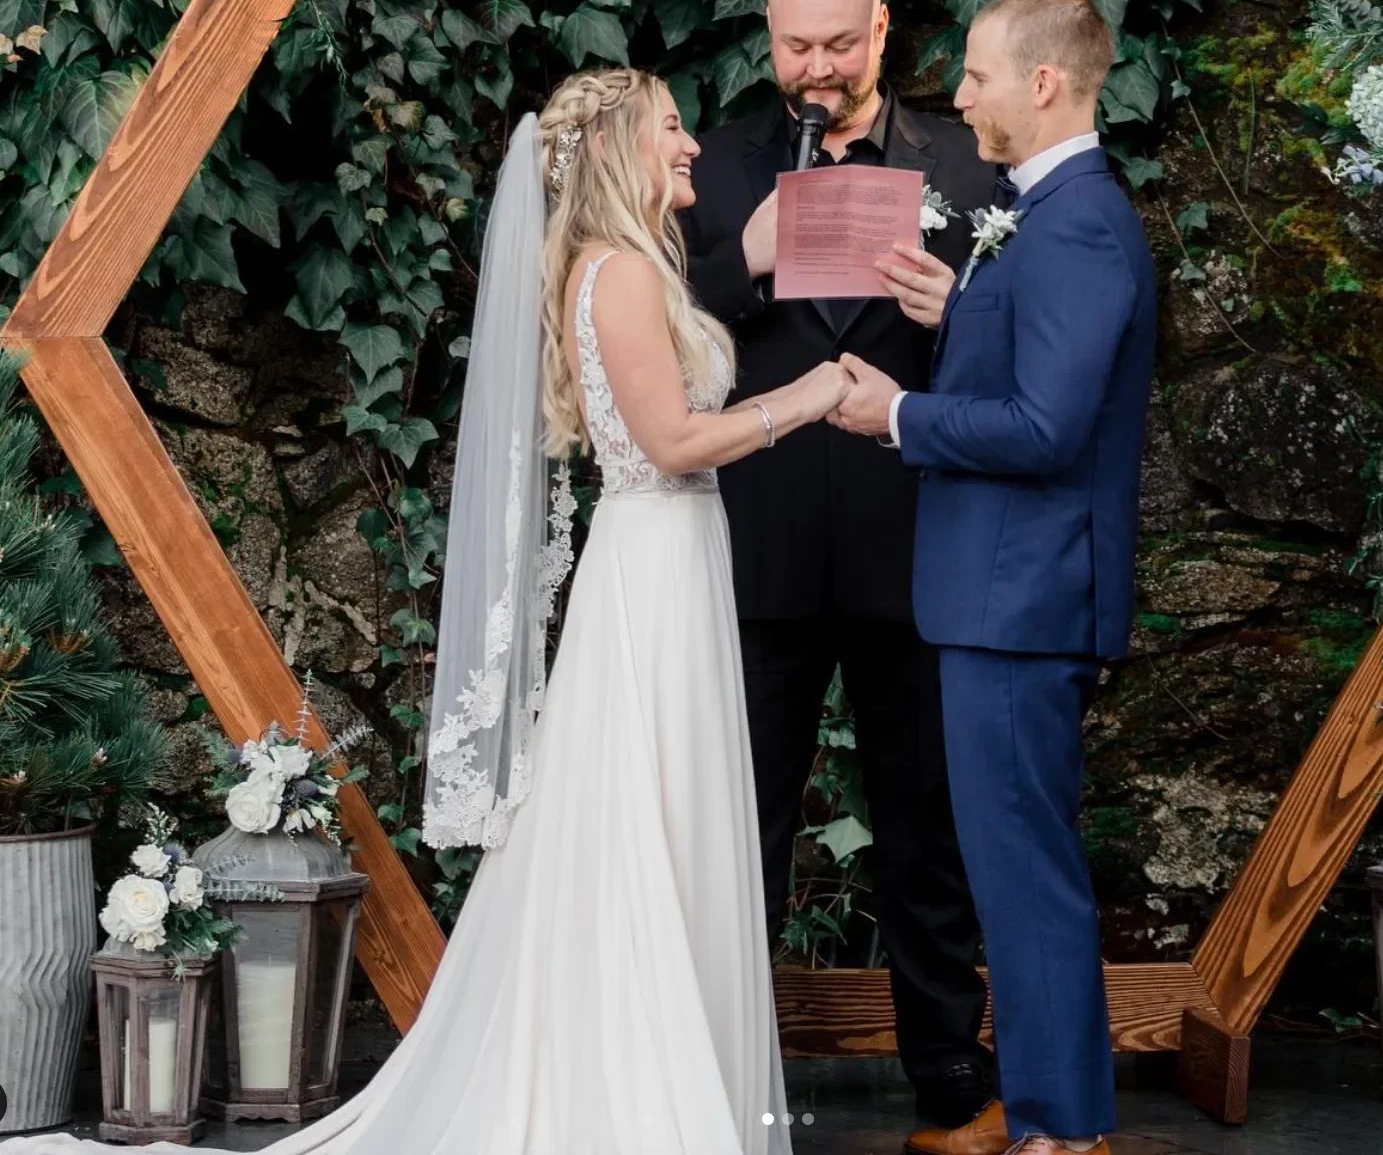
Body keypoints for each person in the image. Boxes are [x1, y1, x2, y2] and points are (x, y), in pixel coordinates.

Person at [12, 68, 850, 1155]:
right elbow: (670, 445)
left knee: (662, 812)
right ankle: (644, 1097)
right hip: (652, 566)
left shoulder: (629, 266)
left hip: (670, 559)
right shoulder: (623, 278)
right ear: (617, 150)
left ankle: (656, 1063)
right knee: (641, 816)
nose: (692, 145)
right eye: (673, 128)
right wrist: (811, 397)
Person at [680, 0, 1002, 1132]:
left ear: (879, 32)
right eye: (791, 47)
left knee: (924, 827)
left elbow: (1020, 355)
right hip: (755, 548)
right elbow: (650, 336)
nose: (813, 71)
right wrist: (745, 260)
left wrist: (950, 307)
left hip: (911, 543)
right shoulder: (712, 169)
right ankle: (719, 1063)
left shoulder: (969, 163)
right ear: (768, 38)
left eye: (835, 45)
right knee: (739, 823)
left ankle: (948, 1067)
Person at [831, 0, 1157, 1155]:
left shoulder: (1072, 221)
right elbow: (1032, 366)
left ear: (1041, 83)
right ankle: (1032, 1105)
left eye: (972, 75)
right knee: (1006, 870)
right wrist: (957, 304)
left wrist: (900, 415)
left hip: (1020, 602)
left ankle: (1063, 1132)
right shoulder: (1048, 215)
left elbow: (1045, 429)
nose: (954, 94)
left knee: (1026, 876)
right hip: (998, 596)